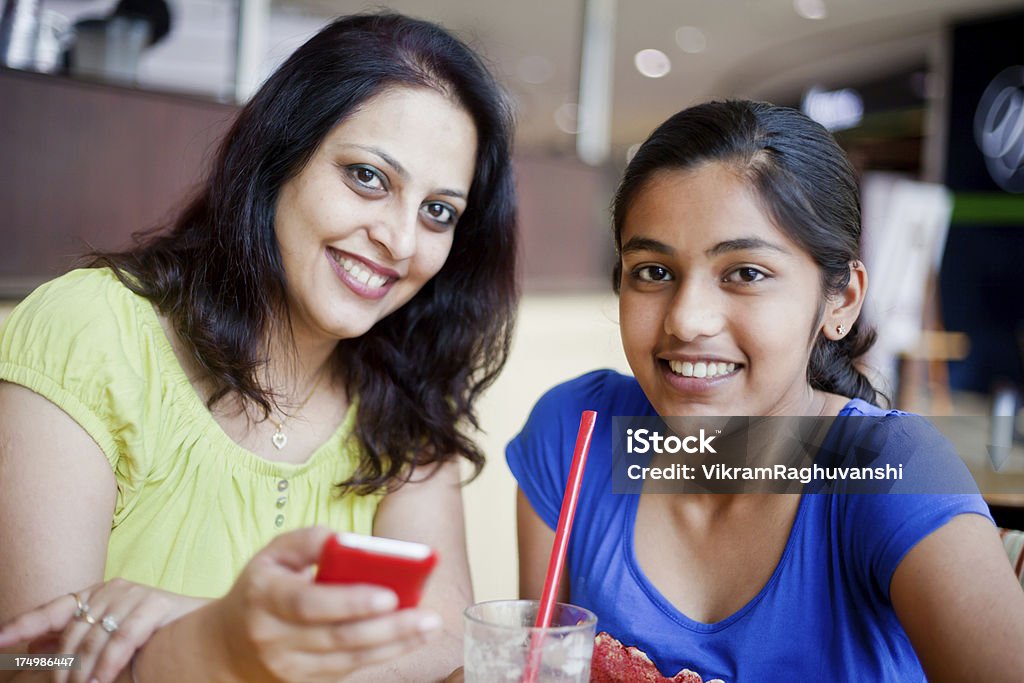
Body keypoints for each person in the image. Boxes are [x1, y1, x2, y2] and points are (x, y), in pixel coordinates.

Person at [0, 11, 516, 683]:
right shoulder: (88, 329)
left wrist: (204, 624)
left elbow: (446, 642)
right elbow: (26, 657)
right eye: (367, 176)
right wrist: (217, 642)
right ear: (280, 157)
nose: (401, 239)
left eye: (438, 211)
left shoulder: (408, 394)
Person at [509, 100, 1024, 681]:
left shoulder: (889, 471)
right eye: (653, 271)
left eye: (746, 273)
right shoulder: (575, 430)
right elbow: (537, 668)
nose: (688, 320)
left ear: (842, 300)